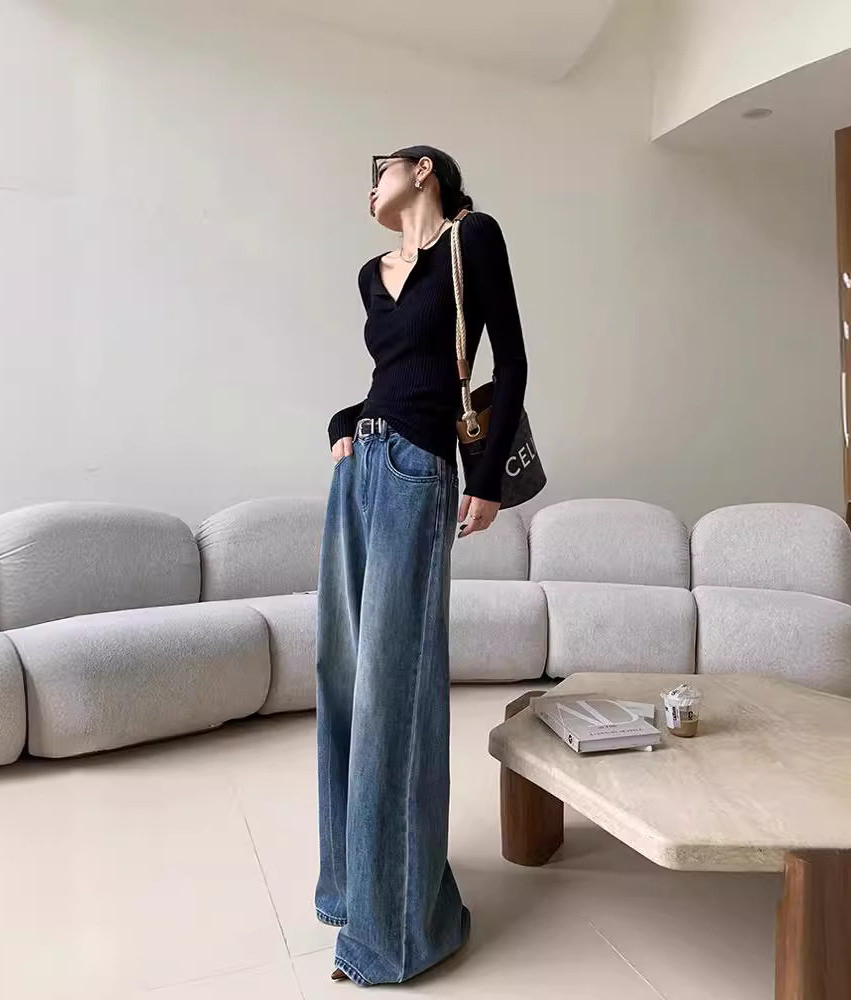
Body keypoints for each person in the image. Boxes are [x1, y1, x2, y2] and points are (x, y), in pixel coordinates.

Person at [315, 145, 528, 986]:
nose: (371, 182)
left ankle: (397, 934)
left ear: (424, 171)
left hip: (416, 473)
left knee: (393, 694)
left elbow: (510, 361)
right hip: (359, 468)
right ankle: (349, 891)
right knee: (341, 677)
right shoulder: (371, 275)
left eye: (384, 167)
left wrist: (488, 479)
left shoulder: (473, 239)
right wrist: (343, 424)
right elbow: (391, 377)